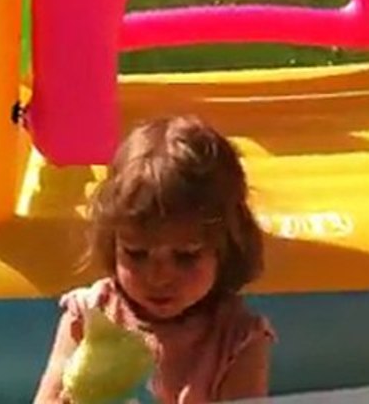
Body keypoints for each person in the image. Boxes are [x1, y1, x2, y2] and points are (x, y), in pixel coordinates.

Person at [34, 115, 274, 404]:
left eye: (185, 257)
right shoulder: (90, 317)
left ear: (226, 248)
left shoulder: (237, 343)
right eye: (136, 254)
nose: (158, 276)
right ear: (114, 243)